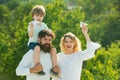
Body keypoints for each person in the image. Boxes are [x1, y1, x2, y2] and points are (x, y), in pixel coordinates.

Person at [27, 5, 59, 75]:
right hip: (34, 43)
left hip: (42, 43)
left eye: (41, 16)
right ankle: (37, 67)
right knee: (37, 48)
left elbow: (48, 32)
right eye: (37, 15)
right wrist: (31, 29)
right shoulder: (31, 24)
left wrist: (50, 31)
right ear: (33, 16)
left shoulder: (44, 25)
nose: (39, 17)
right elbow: (30, 35)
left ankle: (54, 67)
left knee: (53, 49)